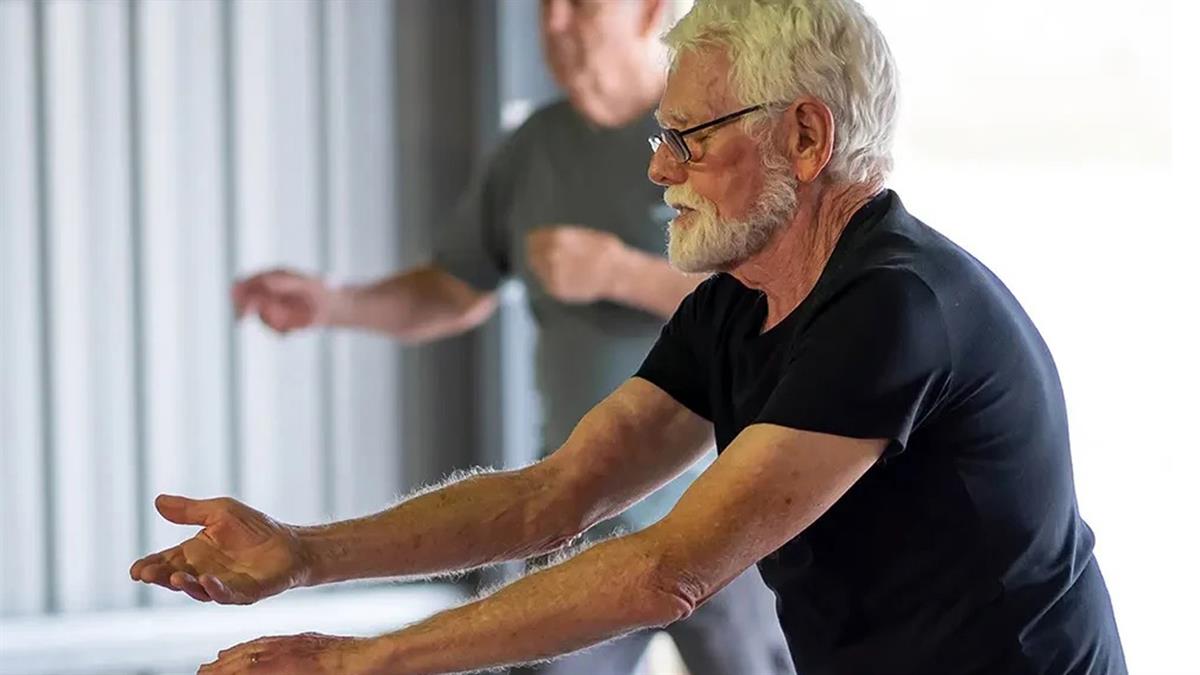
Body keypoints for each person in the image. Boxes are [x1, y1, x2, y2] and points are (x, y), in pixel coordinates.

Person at [131, 0, 1128, 673]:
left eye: (691, 139)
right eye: (664, 138)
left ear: (808, 139)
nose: (661, 172)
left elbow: (668, 572)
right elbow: (554, 497)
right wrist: (304, 554)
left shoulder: (896, 305)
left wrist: (354, 661)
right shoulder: (738, 301)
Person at [218, 1, 792, 674]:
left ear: (648, 12)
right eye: (544, 6)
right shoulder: (531, 150)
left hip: (726, 510)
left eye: (579, 4)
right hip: (577, 510)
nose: (553, 23)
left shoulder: (718, 137)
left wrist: (618, 271)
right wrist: (332, 303)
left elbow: (778, 299)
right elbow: (453, 289)